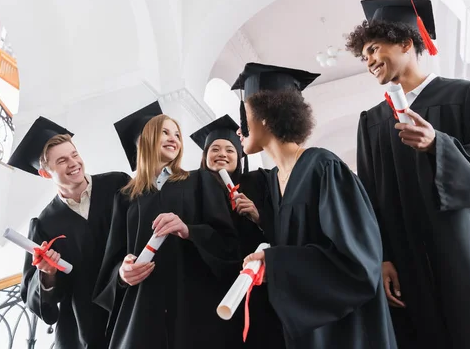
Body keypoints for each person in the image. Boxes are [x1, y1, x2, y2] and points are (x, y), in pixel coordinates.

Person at [345, 0, 470, 349]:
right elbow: (369, 196)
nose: (368, 60)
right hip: (406, 256)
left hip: (464, 244)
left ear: (405, 42)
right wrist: (383, 257)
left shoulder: (466, 95)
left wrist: (439, 145)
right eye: (364, 55)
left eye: (374, 49)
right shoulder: (372, 121)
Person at [234, 62, 396, 349]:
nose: (239, 129)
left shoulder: (324, 167)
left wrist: (276, 264)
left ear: (267, 117)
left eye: (244, 116)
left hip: (346, 329)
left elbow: (358, 264)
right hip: (308, 331)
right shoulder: (275, 181)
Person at [93, 102, 240, 349]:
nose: (174, 139)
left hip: (191, 308)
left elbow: (228, 244)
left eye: (177, 134)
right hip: (142, 311)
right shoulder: (126, 197)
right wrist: (122, 273)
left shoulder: (199, 180)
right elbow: (113, 258)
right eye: (165, 132)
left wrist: (189, 230)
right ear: (146, 138)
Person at [8, 116, 130, 349]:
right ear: (46, 174)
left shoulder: (118, 185)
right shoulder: (45, 224)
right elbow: (34, 297)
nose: (74, 163)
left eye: (74, 155)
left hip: (132, 302)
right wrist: (48, 274)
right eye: (62, 160)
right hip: (88, 326)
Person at [190, 114, 285, 348]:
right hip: (210, 285)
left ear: (240, 157)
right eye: (215, 149)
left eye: (230, 150)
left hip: (256, 284)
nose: (222, 154)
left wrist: (257, 215)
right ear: (205, 156)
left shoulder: (259, 181)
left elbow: (284, 226)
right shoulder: (192, 187)